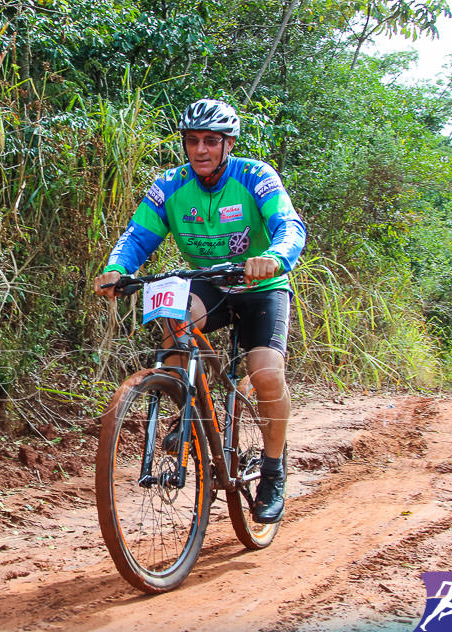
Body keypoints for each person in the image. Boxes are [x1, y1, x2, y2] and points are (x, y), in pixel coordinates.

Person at [93, 98, 306, 524]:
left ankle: (273, 469)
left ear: (228, 143)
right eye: (192, 141)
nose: (201, 150)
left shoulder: (255, 176)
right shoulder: (171, 185)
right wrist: (117, 269)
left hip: (261, 285)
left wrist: (277, 256)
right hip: (209, 283)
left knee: (265, 374)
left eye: (211, 141)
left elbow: (289, 225)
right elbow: (138, 235)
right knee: (174, 313)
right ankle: (187, 405)